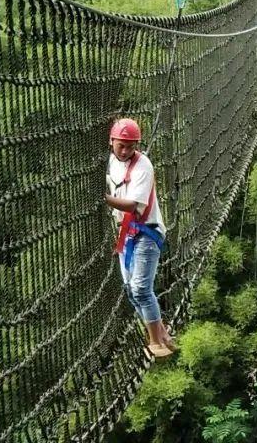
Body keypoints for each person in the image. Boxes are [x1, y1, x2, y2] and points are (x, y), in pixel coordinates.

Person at [105, 118, 176, 358]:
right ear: (111, 142)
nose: (125, 151)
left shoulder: (143, 165)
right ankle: (162, 332)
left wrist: (102, 198)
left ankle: (155, 341)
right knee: (129, 289)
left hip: (147, 231)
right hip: (125, 234)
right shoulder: (110, 163)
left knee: (141, 288)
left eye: (130, 146)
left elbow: (134, 206)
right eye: (120, 145)